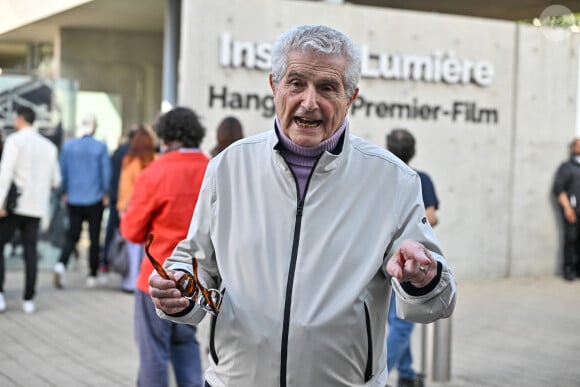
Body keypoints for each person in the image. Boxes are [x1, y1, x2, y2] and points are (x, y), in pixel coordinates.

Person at [148, 25, 456, 387]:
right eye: (296, 83)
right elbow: (198, 264)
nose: (310, 102)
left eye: (327, 87)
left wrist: (424, 277)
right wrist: (181, 289)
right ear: (274, 86)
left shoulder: (394, 180)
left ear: (351, 96)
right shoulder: (227, 168)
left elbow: (438, 300)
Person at [120, 107, 209, 387]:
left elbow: (132, 231)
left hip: (156, 276)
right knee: (186, 345)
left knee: (153, 352)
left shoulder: (155, 173)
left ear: (165, 138)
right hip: (197, 278)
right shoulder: (214, 167)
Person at [386, 128, 440, 387]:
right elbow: (432, 217)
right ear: (413, 151)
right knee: (403, 324)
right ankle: (379, 376)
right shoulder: (420, 178)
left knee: (395, 320)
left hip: (380, 263)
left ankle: (406, 374)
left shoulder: (379, 176)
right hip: (410, 264)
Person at [0, 106, 61, 313]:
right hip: (36, 206)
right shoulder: (49, 147)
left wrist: (0, 204)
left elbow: (5, 175)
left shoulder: (14, 141)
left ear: (19, 119)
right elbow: (56, 180)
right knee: (31, 252)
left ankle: (0, 294)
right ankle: (29, 299)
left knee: (0, 246)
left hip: (13, 206)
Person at [54, 113, 111, 288]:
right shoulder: (100, 147)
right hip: (94, 198)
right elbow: (106, 174)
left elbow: (61, 172)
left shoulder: (69, 147)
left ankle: (61, 264)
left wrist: (63, 191)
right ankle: (92, 274)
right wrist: (106, 193)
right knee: (94, 237)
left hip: (74, 198)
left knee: (73, 234)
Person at [116, 124, 157, 292]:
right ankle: (146, 279)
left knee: (133, 247)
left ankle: (132, 281)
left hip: (133, 207)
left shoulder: (130, 160)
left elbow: (125, 187)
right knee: (149, 248)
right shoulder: (156, 159)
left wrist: (122, 208)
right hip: (152, 208)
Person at [102, 126, 137, 273]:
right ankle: (127, 267)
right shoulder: (137, 153)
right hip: (129, 199)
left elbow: (110, 174)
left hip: (117, 198)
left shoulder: (119, 151)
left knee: (112, 232)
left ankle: (106, 261)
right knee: (128, 235)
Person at [553, 137, 580, 281]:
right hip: (573, 211)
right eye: (578, 145)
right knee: (571, 239)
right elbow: (559, 189)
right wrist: (567, 208)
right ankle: (568, 269)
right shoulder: (566, 167)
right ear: (573, 148)